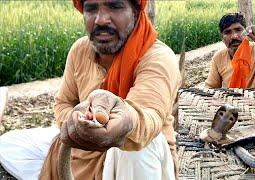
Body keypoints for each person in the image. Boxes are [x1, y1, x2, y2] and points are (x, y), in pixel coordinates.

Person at [0, 0, 181, 179]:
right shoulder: (80, 49)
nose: (101, 19)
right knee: (8, 144)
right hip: (82, 150)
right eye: (91, 8)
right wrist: (76, 122)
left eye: (114, 6)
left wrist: (125, 119)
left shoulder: (158, 58)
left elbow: (149, 116)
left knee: (139, 145)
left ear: (135, 12)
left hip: (132, 163)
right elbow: (64, 102)